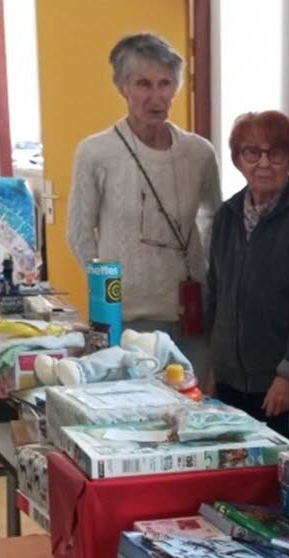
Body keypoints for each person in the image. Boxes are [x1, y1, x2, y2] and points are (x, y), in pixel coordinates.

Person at [68, 33, 221, 377]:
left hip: (191, 313)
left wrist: (206, 279)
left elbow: (214, 219)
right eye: (143, 84)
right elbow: (79, 235)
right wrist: (107, 300)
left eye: (165, 83)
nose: (156, 96)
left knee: (192, 408)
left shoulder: (199, 153)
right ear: (123, 87)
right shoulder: (96, 152)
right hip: (124, 317)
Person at [205, 112, 289, 437]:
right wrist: (213, 366)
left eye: (275, 154)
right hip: (230, 381)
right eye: (251, 152)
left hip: (284, 383)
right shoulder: (226, 216)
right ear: (237, 159)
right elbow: (216, 294)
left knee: (281, 479)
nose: (263, 163)